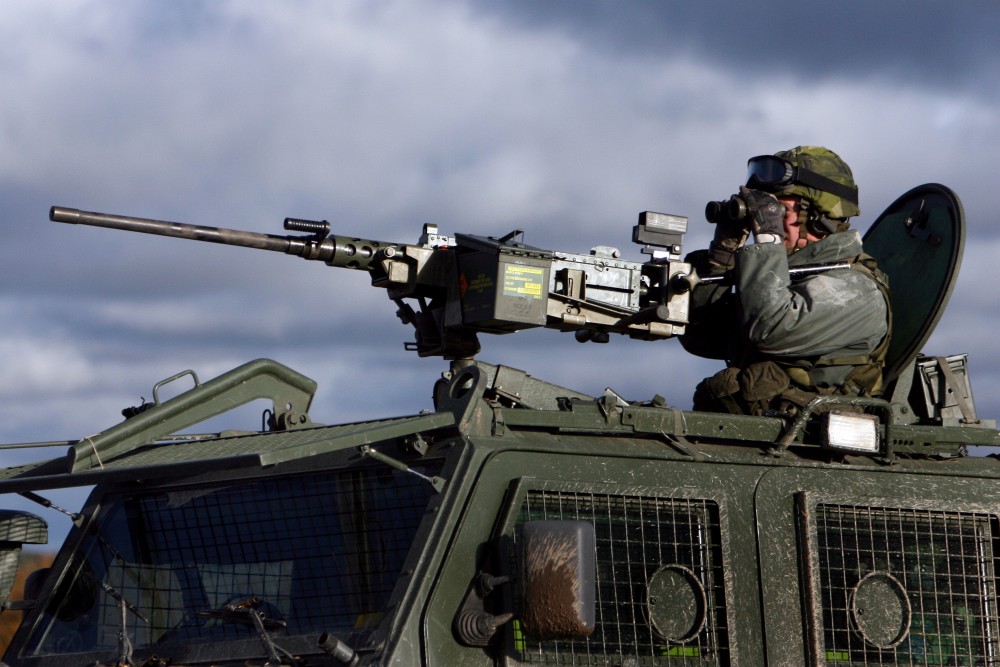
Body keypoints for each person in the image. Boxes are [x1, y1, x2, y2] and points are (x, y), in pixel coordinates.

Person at [680, 146, 890, 417]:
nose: (764, 220)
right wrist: (722, 255)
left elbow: (770, 331)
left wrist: (768, 238)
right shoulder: (786, 280)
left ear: (817, 217)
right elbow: (705, 339)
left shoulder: (856, 290)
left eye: (778, 209)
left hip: (813, 448)